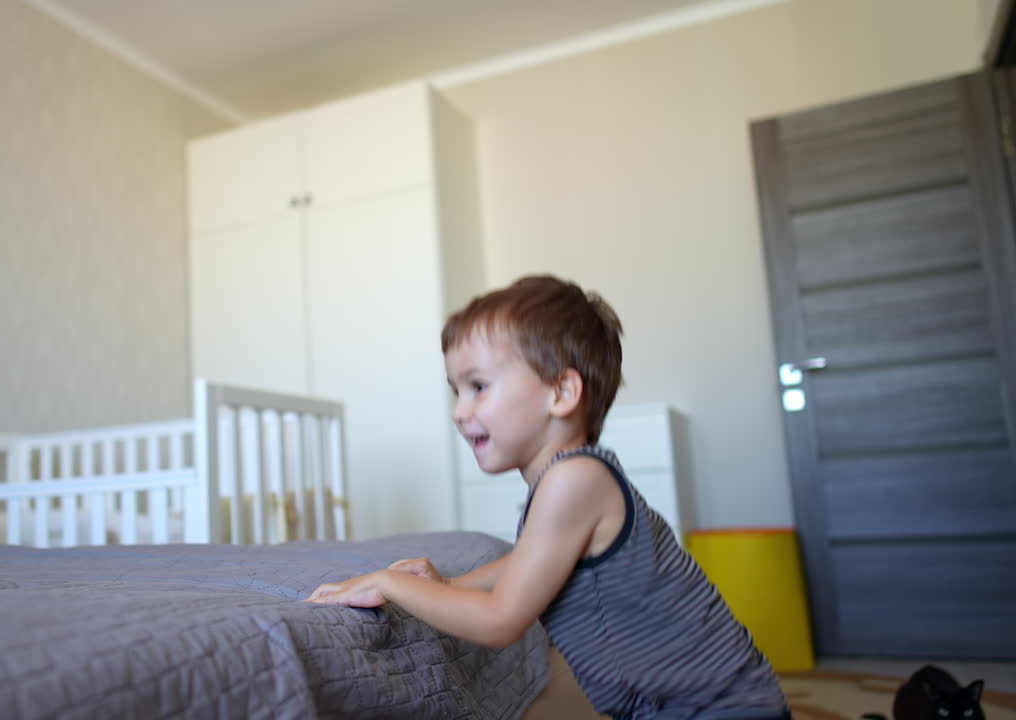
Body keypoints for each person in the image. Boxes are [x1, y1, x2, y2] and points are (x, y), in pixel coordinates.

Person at [306, 274, 789, 720]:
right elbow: (530, 561)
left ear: (561, 392)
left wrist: (391, 584)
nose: (458, 411)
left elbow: (500, 623)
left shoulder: (575, 480)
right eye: (456, 390)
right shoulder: (571, 477)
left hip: (721, 709)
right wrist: (451, 586)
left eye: (478, 386)